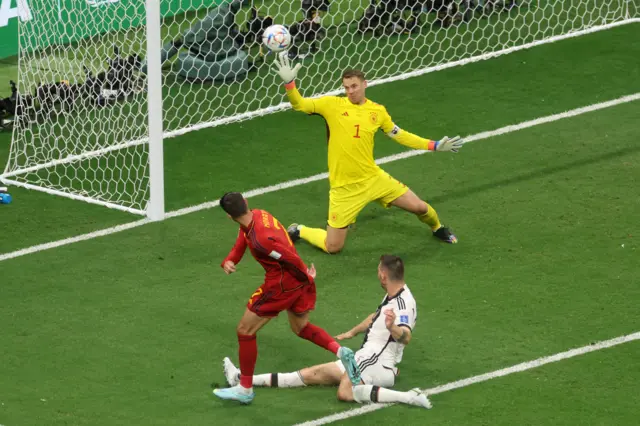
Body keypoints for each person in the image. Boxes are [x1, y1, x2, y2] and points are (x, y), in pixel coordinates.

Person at [272, 54, 464, 254]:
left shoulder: (377, 111)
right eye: (346, 87)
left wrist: (434, 145)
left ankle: (438, 228)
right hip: (344, 189)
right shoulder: (332, 105)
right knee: (333, 246)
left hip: (373, 178)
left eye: (354, 86)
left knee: (420, 208)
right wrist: (289, 84)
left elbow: (400, 135)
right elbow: (299, 104)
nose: (350, 92)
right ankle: (300, 230)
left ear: (365, 84)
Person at [219, 254, 431, 409]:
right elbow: (375, 317)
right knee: (307, 375)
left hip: (374, 361)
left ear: (384, 276)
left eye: (378, 272)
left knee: (345, 392)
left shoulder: (403, 304)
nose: (377, 275)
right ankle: (240, 378)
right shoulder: (394, 294)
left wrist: (392, 327)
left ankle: (408, 397)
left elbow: (406, 336)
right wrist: (352, 332)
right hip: (366, 358)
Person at [212, 192, 360, 404]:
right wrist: (229, 260)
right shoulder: (259, 215)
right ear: (246, 203)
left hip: (281, 285)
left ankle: (244, 389)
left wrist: (306, 275)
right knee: (300, 327)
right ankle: (341, 351)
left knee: (245, 330)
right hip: (296, 282)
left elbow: (287, 257)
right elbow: (242, 238)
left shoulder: (260, 240)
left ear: (228, 216)